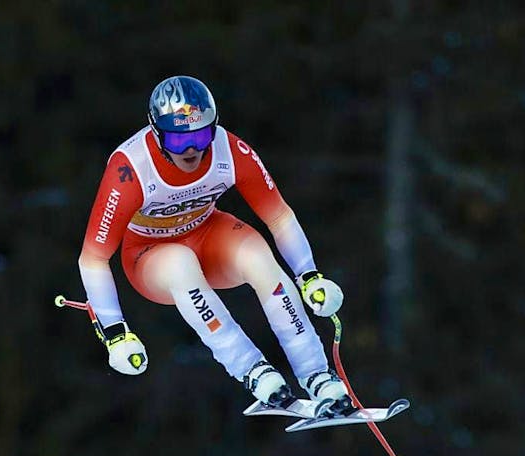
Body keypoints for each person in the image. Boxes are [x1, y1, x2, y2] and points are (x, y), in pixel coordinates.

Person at [77, 75, 350, 412]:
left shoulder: (230, 150)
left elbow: (279, 217)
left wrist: (308, 276)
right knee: (179, 264)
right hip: (149, 255)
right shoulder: (131, 169)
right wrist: (116, 333)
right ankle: (253, 370)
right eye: (178, 141)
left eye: (202, 136)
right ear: (156, 133)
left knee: (258, 257)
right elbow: (92, 258)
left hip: (207, 235)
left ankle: (317, 376)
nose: (191, 151)